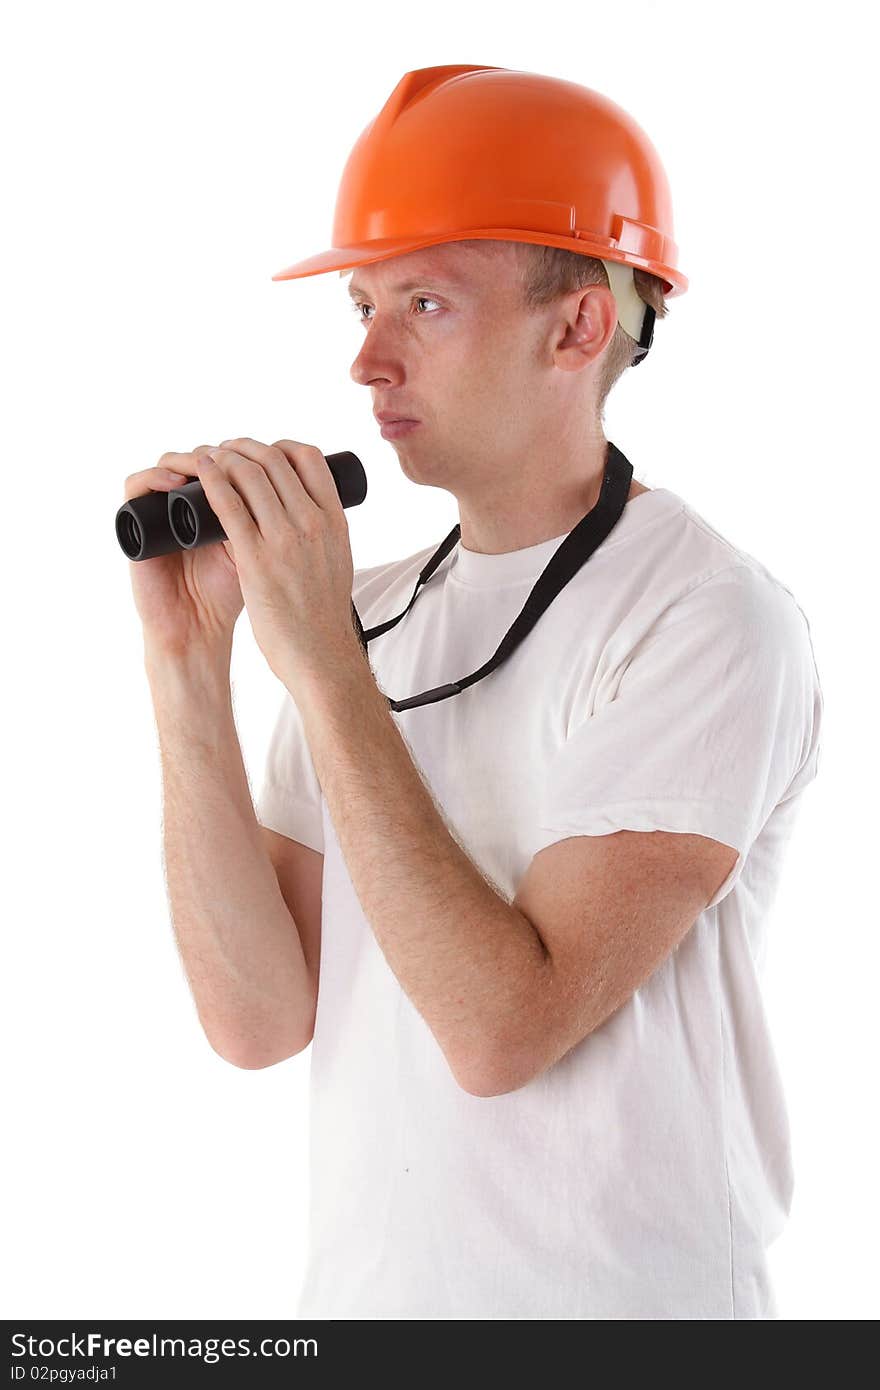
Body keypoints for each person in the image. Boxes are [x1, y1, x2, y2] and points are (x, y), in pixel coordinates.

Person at [127, 67, 824, 1320]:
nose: (364, 358)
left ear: (576, 329)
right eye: (362, 305)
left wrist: (324, 666)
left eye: (425, 303)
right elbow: (258, 1015)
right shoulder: (364, 610)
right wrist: (191, 658)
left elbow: (503, 1031)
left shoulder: (706, 618)